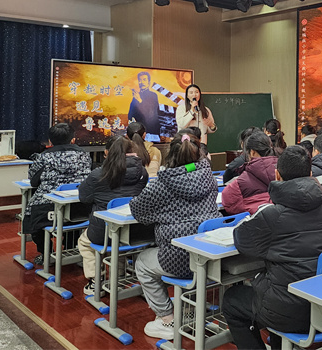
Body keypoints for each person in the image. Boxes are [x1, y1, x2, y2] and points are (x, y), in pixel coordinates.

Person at [223, 146, 322, 350]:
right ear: (310, 173)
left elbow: (241, 241)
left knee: (232, 300)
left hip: (289, 311)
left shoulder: (272, 215)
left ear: (277, 175)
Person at [130, 132, 219, 340]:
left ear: (170, 156)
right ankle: (189, 308)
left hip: (178, 257)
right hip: (209, 253)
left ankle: (167, 319)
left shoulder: (163, 184)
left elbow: (137, 211)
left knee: (141, 262)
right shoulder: (207, 175)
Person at [77, 136, 148, 294]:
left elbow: (84, 197)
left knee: (84, 243)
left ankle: (96, 281)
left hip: (102, 230)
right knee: (118, 244)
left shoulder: (98, 174)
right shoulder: (142, 172)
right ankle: (119, 277)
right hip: (132, 229)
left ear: (106, 153)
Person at [23, 123, 91, 264]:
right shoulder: (84, 155)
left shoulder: (43, 157)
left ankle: (46, 253)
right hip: (79, 207)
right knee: (72, 220)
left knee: (31, 217)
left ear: (50, 141)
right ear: (73, 139)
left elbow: (33, 181)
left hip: (47, 209)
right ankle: (70, 249)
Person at [221, 131, 278, 215]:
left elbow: (229, 203)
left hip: (255, 219)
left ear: (252, 152)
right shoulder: (283, 171)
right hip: (282, 219)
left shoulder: (240, 183)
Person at [129, 72, 161, 139]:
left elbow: (151, 113)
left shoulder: (153, 95)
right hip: (138, 132)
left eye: (144, 80)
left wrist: (140, 100)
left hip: (151, 131)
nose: (142, 82)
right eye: (140, 80)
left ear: (149, 82)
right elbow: (130, 115)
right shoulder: (136, 96)